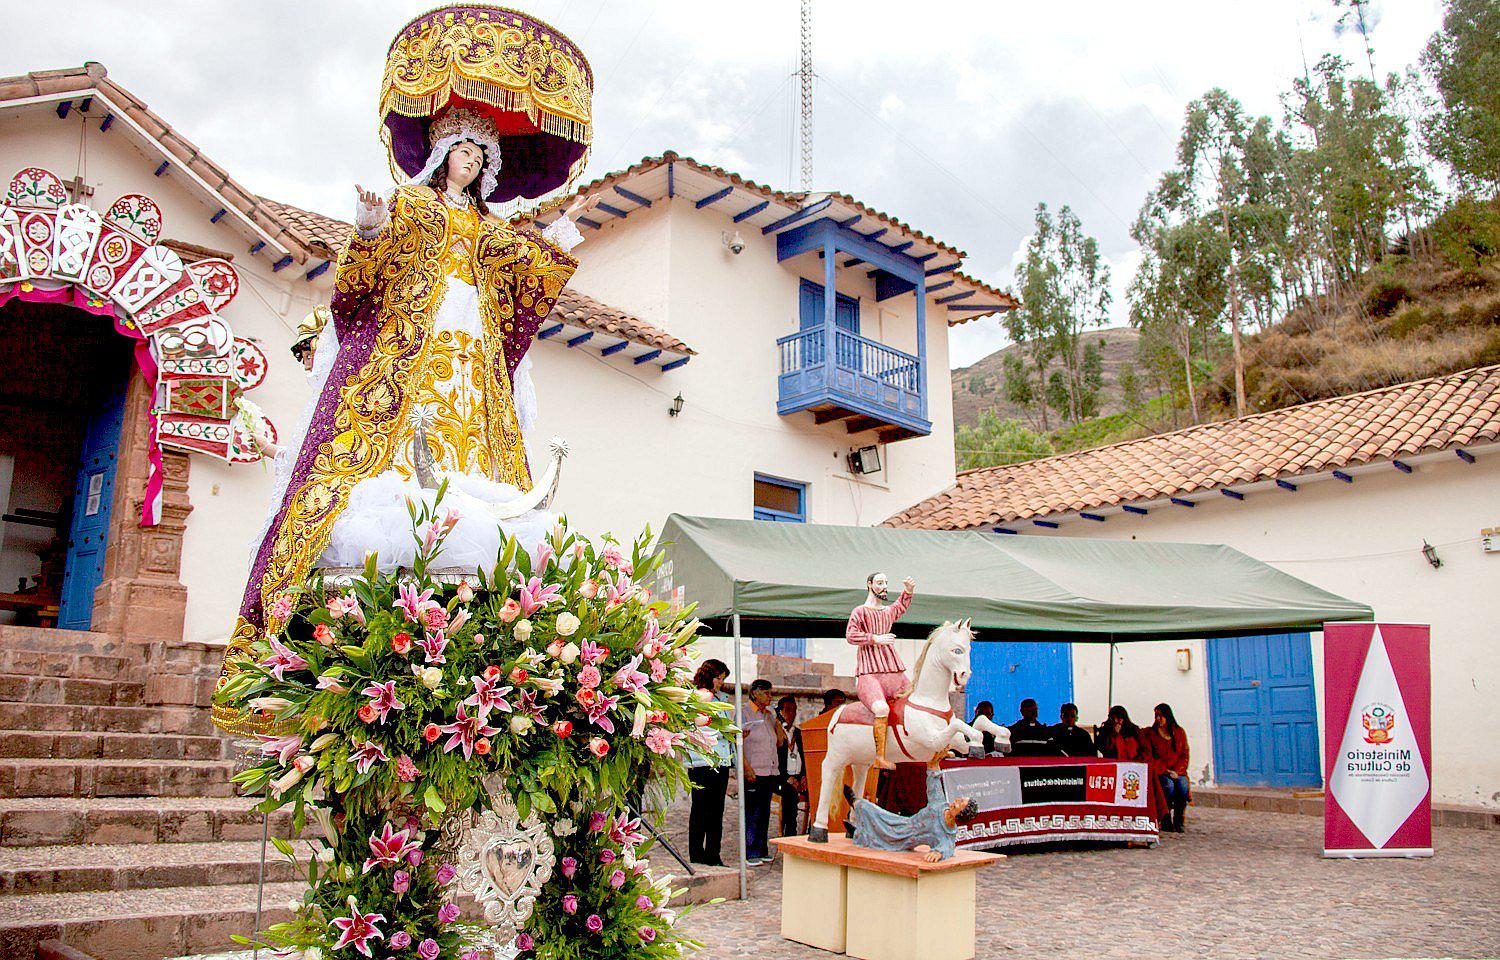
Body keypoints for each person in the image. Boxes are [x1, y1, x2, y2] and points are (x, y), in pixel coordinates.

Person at [216, 108, 595, 734]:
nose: (467, 164)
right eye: (460, 153)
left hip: (470, 345)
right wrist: (367, 230)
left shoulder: (489, 228)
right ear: (442, 157)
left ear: (485, 170)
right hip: (411, 339)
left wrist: (555, 243)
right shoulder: (409, 208)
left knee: (475, 431)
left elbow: (524, 278)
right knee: (389, 437)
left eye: (478, 158)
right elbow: (367, 280)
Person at [846, 572, 916, 770]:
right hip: (870, 672)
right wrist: (876, 638)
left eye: (886, 583)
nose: (884, 586)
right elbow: (850, 635)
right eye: (879, 583)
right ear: (869, 585)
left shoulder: (887, 612)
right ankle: (880, 756)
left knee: (916, 699)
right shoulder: (860, 611)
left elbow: (899, 607)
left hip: (892, 668)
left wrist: (908, 592)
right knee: (881, 708)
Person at [842, 771, 978, 862]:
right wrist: (934, 764)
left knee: (881, 838)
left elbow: (947, 846)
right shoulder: (940, 805)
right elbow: (934, 783)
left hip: (904, 839)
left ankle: (856, 833)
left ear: (961, 814)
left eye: (960, 803)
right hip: (904, 822)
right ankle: (855, 802)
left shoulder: (946, 833)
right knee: (871, 809)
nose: (956, 801)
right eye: (959, 799)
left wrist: (939, 853)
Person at [686, 659, 732, 866]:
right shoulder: (697, 699)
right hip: (702, 761)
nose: (721, 682)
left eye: (722, 679)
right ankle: (696, 854)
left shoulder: (722, 699)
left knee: (717, 811)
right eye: (718, 678)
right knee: (700, 810)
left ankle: (713, 853)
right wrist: (726, 731)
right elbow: (698, 729)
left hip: (721, 761)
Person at [741, 679, 787, 865]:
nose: (770, 697)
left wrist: (776, 720)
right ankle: (750, 852)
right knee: (752, 812)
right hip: (753, 768)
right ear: (755, 693)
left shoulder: (768, 716)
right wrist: (746, 768)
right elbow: (738, 744)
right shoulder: (744, 714)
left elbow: (780, 742)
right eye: (767, 693)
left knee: (764, 812)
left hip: (769, 769)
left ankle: (761, 849)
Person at [1146, 702, 1191, 832]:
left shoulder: (1179, 732)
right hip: (1161, 772)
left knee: (1183, 786)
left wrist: (1177, 771)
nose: (1158, 719)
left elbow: (1184, 754)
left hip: (1178, 772)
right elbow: (1151, 757)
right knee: (1168, 786)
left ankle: (1178, 819)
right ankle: (1165, 818)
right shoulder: (1152, 734)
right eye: (1156, 716)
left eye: (1161, 716)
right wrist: (1166, 771)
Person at [776, 695, 805, 837]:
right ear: (780, 712)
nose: (791, 714)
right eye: (787, 710)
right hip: (782, 778)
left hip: (798, 776)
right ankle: (790, 832)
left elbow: (805, 757)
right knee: (790, 794)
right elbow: (774, 759)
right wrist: (787, 778)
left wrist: (804, 776)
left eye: (794, 710)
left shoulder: (799, 733)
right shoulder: (777, 732)